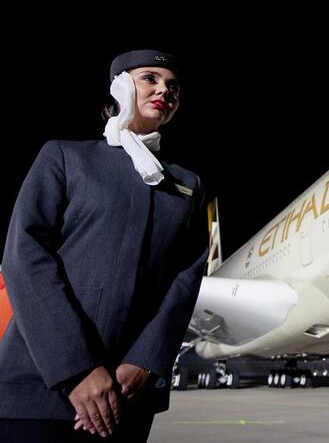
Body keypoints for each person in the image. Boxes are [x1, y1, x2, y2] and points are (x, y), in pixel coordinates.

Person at [0, 49, 209, 442]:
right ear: (120, 85)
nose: (164, 90)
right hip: (41, 387)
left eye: (173, 86)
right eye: (150, 78)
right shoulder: (64, 157)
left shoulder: (187, 185)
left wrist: (145, 362)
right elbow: (24, 257)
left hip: (128, 393)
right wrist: (76, 368)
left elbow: (185, 280)